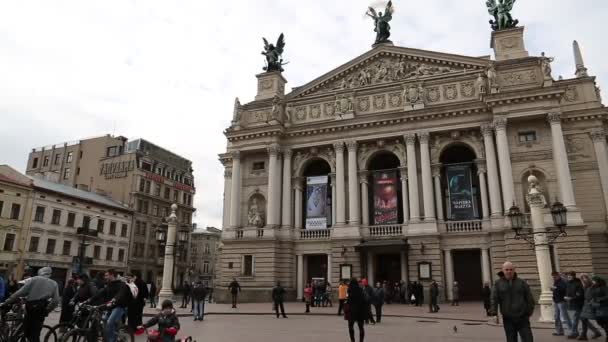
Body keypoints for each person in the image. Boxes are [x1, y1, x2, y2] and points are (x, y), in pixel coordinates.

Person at [0, 267, 60, 342]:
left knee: (26, 332)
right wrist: (47, 311)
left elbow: (19, 293)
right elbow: (56, 300)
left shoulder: (34, 279)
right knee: (35, 335)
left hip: (30, 310)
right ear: (50, 274)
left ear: (40, 272)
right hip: (40, 311)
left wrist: (6, 302)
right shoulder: (54, 283)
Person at [490, 261, 535, 342]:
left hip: (522, 318)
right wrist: (494, 314)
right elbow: (494, 299)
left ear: (514, 270)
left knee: (528, 339)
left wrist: (529, 311)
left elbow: (529, 298)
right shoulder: (498, 284)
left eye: (511, 269)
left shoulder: (522, 282)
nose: (509, 271)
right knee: (511, 339)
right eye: (506, 270)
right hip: (508, 318)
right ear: (502, 270)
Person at [88, 269, 132, 342]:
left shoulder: (121, 284)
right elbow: (100, 293)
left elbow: (120, 294)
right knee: (104, 320)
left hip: (119, 307)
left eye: (107, 275)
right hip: (110, 307)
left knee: (109, 322)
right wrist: (89, 300)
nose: (105, 277)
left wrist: (114, 300)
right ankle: (110, 337)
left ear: (112, 275)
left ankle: (112, 340)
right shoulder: (109, 285)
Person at [579, 273, 603, 340]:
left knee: (599, 320)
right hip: (586, 304)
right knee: (583, 318)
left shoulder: (593, 285)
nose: (584, 279)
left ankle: (596, 332)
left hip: (591, 304)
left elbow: (596, 294)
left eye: (585, 278)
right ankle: (585, 334)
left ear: (588, 278)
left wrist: (593, 301)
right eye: (582, 278)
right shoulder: (585, 286)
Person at [552, 271, 573, 336]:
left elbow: (564, 289)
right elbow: (556, 290)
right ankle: (559, 331)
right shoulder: (556, 282)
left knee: (565, 316)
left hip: (561, 301)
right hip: (556, 301)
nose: (554, 277)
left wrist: (556, 288)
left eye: (555, 276)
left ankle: (572, 330)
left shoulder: (562, 281)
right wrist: (553, 289)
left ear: (558, 275)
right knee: (556, 316)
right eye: (553, 276)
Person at [565, 271, 585, 339]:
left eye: (570, 276)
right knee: (583, 319)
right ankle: (596, 331)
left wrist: (571, 298)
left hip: (578, 304)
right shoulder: (568, 283)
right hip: (571, 304)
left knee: (575, 319)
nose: (568, 277)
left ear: (573, 276)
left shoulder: (578, 284)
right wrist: (567, 297)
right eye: (567, 276)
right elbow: (568, 292)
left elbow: (580, 295)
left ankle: (574, 333)